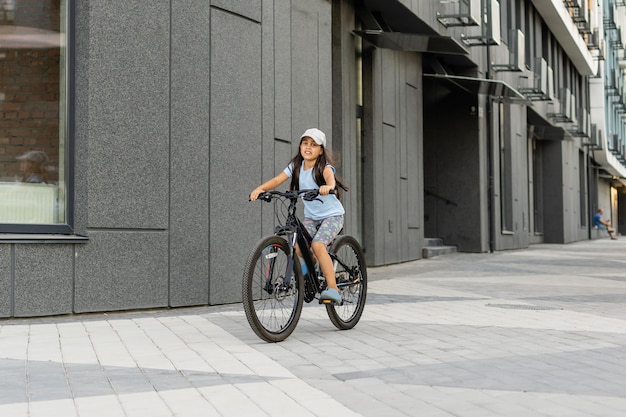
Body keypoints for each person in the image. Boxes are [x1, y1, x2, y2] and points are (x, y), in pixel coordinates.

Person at [250, 128, 348, 303]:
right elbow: (277, 179)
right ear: (300, 146)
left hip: (332, 216)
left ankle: (333, 289)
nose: (308, 147)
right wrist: (261, 189)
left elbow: (330, 179)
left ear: (320, 150)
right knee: (296, 247)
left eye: (313, 144)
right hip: (312, 217)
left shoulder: (323, 167)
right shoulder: (295, 166)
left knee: (317, 245)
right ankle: (312, 267)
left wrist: (328, 187)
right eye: (305, 143)